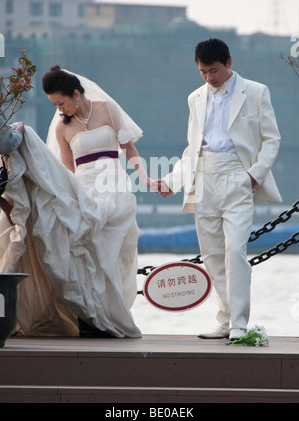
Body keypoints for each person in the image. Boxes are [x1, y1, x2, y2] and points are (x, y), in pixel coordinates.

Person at [158, 38, 281, 341]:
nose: (209, 77)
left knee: (235, 250)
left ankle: (239, 323)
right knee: (212, 254)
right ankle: (225, 319)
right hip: (204, 179)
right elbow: (192, 147)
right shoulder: (195, 98)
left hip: (238, 177)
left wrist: (253, 176)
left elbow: (271, 139)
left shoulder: (256, 91)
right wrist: (173, 181)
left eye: (213, 70)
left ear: (228, 63)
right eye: (203, 72)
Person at [43, 66, 157, 338]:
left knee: (119, 252)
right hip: (87, 193)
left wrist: (147, 179)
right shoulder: (62, 127)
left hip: (116, 187)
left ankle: (115, 314)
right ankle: (93, 317)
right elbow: (68, 171)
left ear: (76, 94)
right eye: (54, 105)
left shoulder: (107, 109)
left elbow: (128, 147)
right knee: (90, 253)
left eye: (61, 102)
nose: (60, 109)